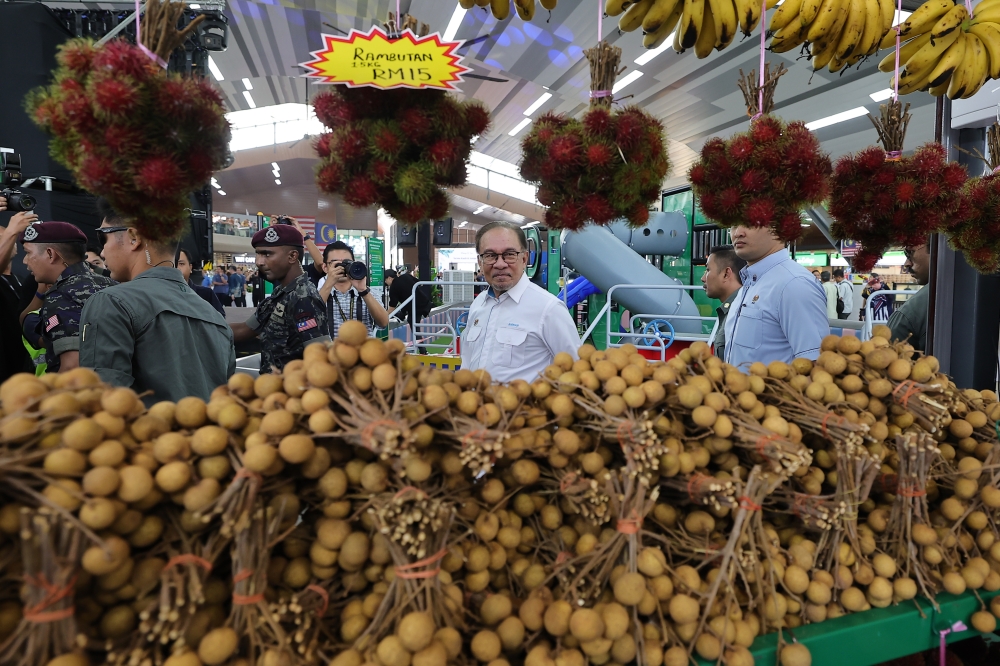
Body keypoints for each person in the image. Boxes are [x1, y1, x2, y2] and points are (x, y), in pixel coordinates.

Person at [79, 198, 235, 404]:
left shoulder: (111, 301)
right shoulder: (214, 316)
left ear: (133, 237)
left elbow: (105, 404)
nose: (102, 251)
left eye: (103, 238)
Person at [461, 221, 581, 383]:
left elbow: (576, 371)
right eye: (490, 256)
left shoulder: (549, 309)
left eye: (509, 254)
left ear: (524, 259)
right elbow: (467, 363)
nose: (500, 264)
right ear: (480, 262)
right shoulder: (478, 305)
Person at [17, 220, 116, 374]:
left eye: (28, 253)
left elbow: (72, 367)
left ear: (50, 254)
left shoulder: (62, 295)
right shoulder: (112, 284)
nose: (25, 261)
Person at [230, 225, 331, 374]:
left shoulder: (304, 298)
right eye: (258, 254)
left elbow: (322, 359)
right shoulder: (280, 294)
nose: (259, 262)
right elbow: (245, 329)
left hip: (291, 392)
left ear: (292, 256)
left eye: (267, 254)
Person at [725, 225, 829, 368]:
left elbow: (816, 365)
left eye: (749, 224)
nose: (737, 233)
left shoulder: (794, 284)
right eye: (734, 225)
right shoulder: (751, 281)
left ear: (778, 227)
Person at [319, 241, 389, 338]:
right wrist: (328, 284)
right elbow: (310, 318)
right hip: (331, 352)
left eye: (346, 263)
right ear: (325, 267)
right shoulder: (318, 293)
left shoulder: (367, 292)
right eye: (336, 264)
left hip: (362, 352)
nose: (342, 267)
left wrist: (363, 290)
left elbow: (383, 323)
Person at [701, 245, 746, 360]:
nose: (703, 278)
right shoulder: (734, 309)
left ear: (726, 274)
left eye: (707, 270)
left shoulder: (742, 313)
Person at [888, 241, 930, 352]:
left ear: (937, 249)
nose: (907, 263)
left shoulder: (908, 314)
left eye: (910, 252)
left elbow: (887, 361)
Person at [175, 248, 224, 316]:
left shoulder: (206, 294)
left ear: (190, 268)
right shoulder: (158, 296)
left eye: (181, 264)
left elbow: (220, 320)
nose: (177, 268)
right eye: (173, 264)